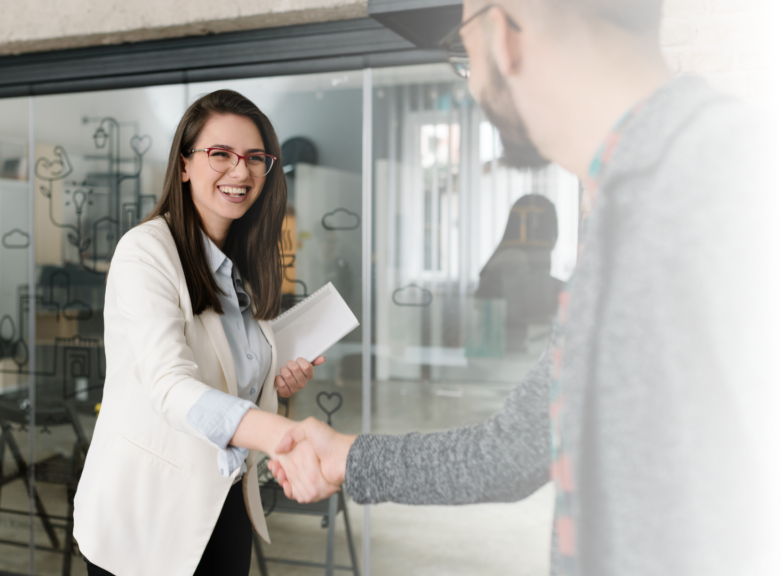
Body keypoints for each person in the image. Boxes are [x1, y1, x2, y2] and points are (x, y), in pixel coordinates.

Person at [270, 1, 782, 575]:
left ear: (504, 31)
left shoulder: (736, 178)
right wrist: (347, 456)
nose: (472, 83)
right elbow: (513, 451)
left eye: (465, 55)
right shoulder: (623, 206)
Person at [73, 90, 333, 576]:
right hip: (145, 517)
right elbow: (170, 386)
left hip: (223, 502)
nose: (241, 171)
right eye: (221, 155)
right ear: (185, 165)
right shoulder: (145, 252)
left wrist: (274, 380)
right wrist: (286, 436)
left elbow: (228, 376)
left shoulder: (245, 263)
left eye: (255, 158)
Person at [475, 194, 564, 353]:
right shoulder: (514, 257)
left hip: (507, 352)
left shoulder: (515, 256)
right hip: (499, 357)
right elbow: (527, 303)